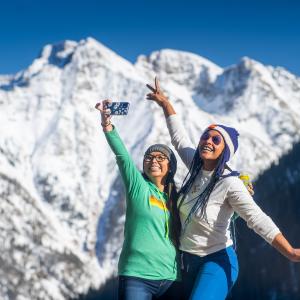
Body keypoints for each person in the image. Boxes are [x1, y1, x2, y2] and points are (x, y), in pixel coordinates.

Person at [146, 78, 300, 300]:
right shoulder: (195, 165)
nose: (208, 141)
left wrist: (291, 252)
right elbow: (179, 138)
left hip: (216, 261)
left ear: (224, 150)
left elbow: (258, 219)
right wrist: (165, 103)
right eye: (205, 136)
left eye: (216, 140)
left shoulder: (230, 183)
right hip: (185, 262)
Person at [95, 100, 181, 300]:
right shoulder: (138, 187)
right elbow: (122, 156)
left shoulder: (178, 198)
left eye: (160, 157)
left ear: (171, 166)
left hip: (172, 278)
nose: (154, 160)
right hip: (137, 276)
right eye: (149, 157)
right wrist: (107, 124)